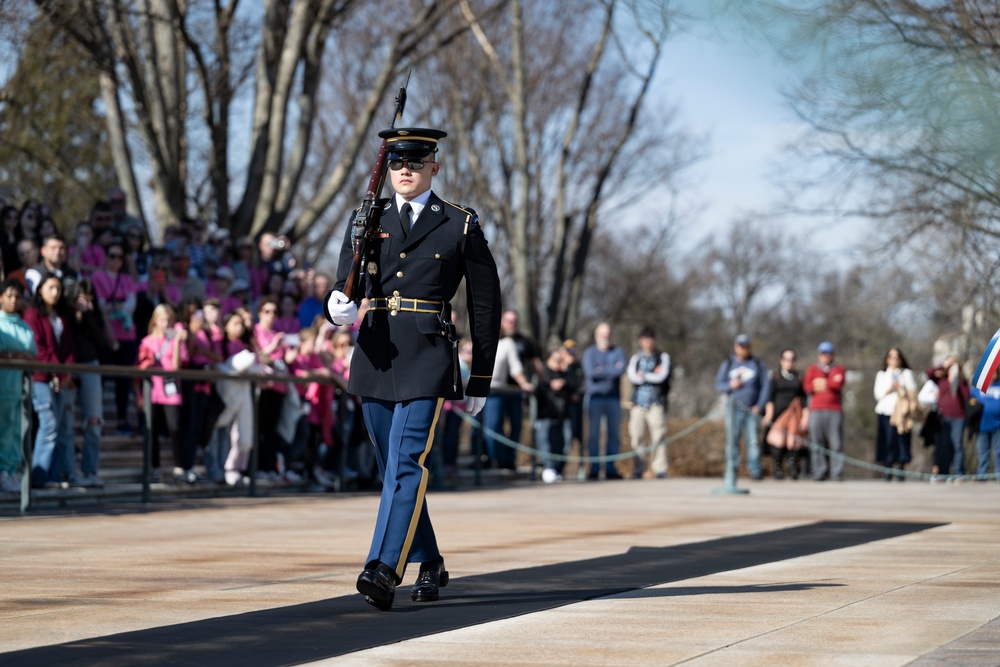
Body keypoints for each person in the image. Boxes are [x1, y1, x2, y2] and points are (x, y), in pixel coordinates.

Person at [325, 125, 501, 611]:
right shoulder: (366, 217)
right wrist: (336, 304)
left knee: (406, 462)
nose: (405, 171)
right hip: (377, 351)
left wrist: (480, 375)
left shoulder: (458, 224)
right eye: (398, 164)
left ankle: (383, 567)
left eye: (416, 164)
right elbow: (346, 281)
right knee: (393, 469)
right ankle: (430, 558)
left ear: (433, 169)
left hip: (427, 354)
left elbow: (485, 305)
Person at [24, 273, 77, 488]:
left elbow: (69, 347)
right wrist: (59, 371)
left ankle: (53, 476)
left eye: (58, 288)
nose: (55, 292)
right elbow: (38, 347)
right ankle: (39, 476)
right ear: (40, 290)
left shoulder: (61, 317)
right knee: (48, 424)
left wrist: (67, 372)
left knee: (59, 427)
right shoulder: (32, 314)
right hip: (40, 378)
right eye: (50, 288)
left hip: (59, 379)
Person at [136, 304, 189, 483]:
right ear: (155, 321)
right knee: (152, 430)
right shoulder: (146, 341)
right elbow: (141, 367)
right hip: (152, 390)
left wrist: (177, 342)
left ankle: (179, 467)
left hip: (171, 389)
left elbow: (175, 367)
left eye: (169, 320)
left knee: (175, 428)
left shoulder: (177, 341)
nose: (165, 323)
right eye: (162, 319)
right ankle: (155, 467)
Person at [92, 241, 140, 435]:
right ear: (105, 257)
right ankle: (98, 419)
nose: (116, 260)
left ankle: (122, 420)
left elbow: (130, 305)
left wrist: (114, 306)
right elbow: (101, 305)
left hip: (127, 335)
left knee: (124, 380)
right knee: (102, 379)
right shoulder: (97, 277)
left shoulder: (128, 279)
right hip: (105, 334)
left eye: (119, 257)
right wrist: (116, 306)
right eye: (112, 255)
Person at [714, 334, 770, 482]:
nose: (743, 348)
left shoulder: (757, 364)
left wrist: (760, 405)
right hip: (733, 411)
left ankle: (755, 470)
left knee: (753, 441)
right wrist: (730, 385)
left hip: (752, 410)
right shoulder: (727, 363)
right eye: (740, 345)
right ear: (735, 347)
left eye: (745, 346)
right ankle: (732, 469)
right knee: (732, 441)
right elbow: (718, 385)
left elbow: (765, 386)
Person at [0, 280, 37, 493]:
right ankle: (3, 471)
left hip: (19, 387)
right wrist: (15, 355)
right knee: (4, 429)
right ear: (1, 297)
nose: (13, 300)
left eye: (17, 296)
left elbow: (32, 353)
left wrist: (20, 357)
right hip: (3, 384)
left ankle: (10, 470)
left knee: (16, 431)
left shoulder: (23, 325)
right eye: (9, 295)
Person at [484, 319, 534, 470]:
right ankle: (492, 458)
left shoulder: (508, 343)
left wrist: (524, 383)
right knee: (490, 428)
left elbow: (516, 368)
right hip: (485, 391)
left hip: (503, 390)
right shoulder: (480, 341)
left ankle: (506, 459)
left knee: (513, 425)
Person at [582, 322, 628, 480]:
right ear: (596, 335)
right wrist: (610, 370)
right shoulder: (589, 353)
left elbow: (620, 370)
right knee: (594, 435)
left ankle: (610, 468)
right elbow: (591, 373)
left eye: (607, 334)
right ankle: (594, 469)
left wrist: (601, 370)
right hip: (595, 398)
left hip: (613, 398)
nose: (605, 337)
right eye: (602, 334)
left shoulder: (618, 351)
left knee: (614, 435)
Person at [626, 326, 671, 479]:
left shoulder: (662, 357)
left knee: (658, 435)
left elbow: (662, 377)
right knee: (636, 435)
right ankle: (639, 468)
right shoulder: (636, 358)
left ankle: (659, 468)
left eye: (650, 339)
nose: (647, 342)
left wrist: (644, 375)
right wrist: (651, 374)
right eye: (644, 339)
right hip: (638, 403)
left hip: (655, 402)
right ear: (640, 341)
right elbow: (633, 377)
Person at [873, 347, 918, 481]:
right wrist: (890, 388)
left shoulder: (907, 374)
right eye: (891, 357)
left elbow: (913, 391)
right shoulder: (881, 374)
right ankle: (887, 468)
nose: (894, 360)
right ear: (887, 360)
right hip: (886, 412)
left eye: (897, 357)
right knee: (887, 441)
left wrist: (901, 387)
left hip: (902, 413)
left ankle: (901, 468)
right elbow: (878, 394)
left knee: (902, 441)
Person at [762, 348, 808, 480]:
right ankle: (778, 468)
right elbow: (770, 397)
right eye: (786, 359)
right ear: (781, 360)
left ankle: (793, 468)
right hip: (778, 413)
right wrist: (769, 415)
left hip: (795, 413)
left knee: (793, 441)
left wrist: (805, 416)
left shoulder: (799, 376)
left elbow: (803, 398)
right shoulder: (775, 376)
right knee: (778, 441)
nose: (789, 362)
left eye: (792, 359)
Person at [804, 341, 847, 481]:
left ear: (833, 355)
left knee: (836, 443)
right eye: (823, 353)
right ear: (819, 355)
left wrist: (822, 383)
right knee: (816, 441)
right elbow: (808, 386)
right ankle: (819, 472)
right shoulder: (812, 369)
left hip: (834, 409)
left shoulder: (839, 369)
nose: (826, 356)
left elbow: (837, 383)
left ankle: (837, 473)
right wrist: (827, 383)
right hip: (816, 409)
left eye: (828, 353)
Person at [534, 348, 576, 483]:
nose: (558, 363)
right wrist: (550, 384)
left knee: (564, 443)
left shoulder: (566, 374)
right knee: (545, 441)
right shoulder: (542, 374)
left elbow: (575, 388)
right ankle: (548, 468)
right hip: (545, 415)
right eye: (556, 360)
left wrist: (566, 371)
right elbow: (538, 389)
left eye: (560, 360)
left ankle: (558, 469)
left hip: (563, 415)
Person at [925, 355, 970, 477]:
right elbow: (928, 373)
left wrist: (958, 380)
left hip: (959, 417)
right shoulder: (941, 379)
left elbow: (967, 395)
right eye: (951, 366)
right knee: (942, 444)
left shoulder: (962, 381)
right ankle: (943, 472)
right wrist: (944, 365)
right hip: (943, 417)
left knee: (957, 445)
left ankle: (959, 472)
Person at [971, 368, 1000, 481]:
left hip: (998, 426)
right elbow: (969, 393)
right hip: (982, 426)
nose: (992, 375)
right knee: (983, 452)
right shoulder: (979, 388)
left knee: (998, 452)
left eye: (994, 373)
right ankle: (982, 476)